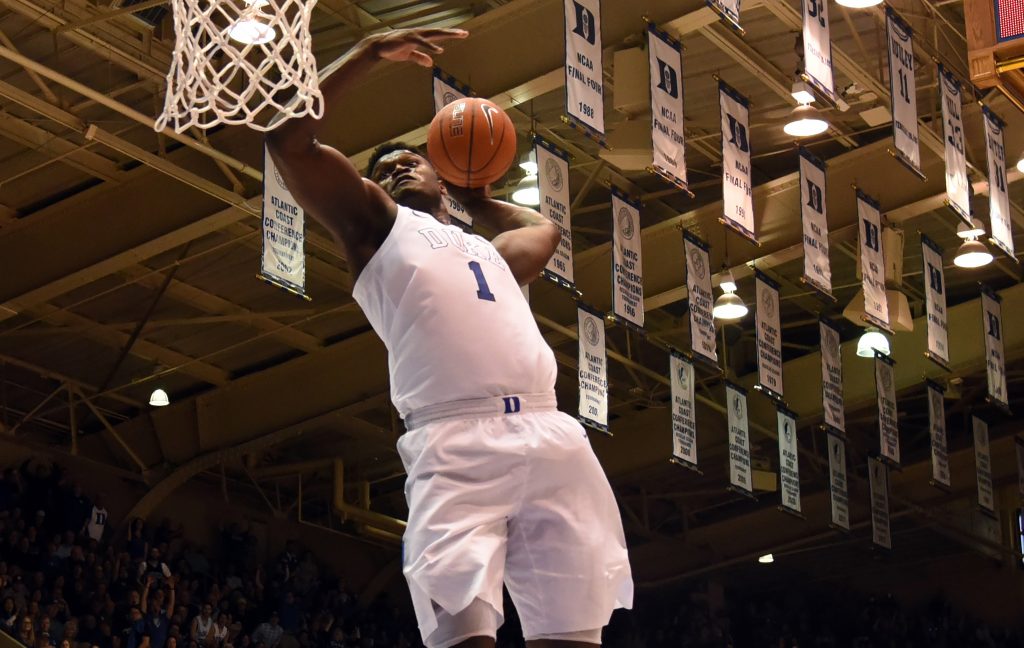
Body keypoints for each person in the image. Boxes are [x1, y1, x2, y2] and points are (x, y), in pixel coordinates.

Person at [266, 26, 632, 648]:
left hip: (550, 435)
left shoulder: (489, 253)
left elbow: (543, 229)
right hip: (455, 441)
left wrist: (474, 194)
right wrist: (367, 53)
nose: (400, 164)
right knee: (462, 635)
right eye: (384, 166)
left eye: (414, 159)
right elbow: (286, 139)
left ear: (443, 182)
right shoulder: (374, 229)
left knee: (574, 634)